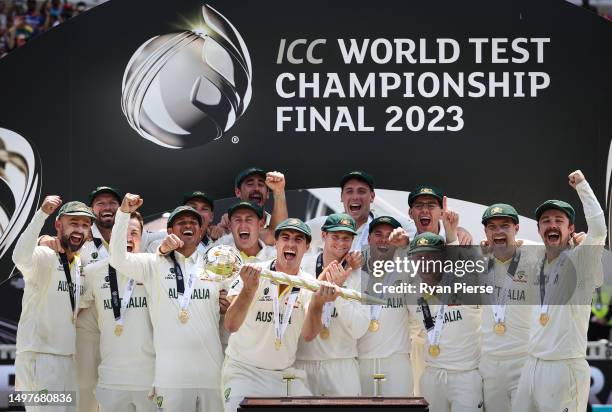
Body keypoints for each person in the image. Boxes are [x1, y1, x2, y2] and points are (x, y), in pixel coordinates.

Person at [109, 194, 224, 412]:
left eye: (193, 223)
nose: (188, 226)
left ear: (201, 233)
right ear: (170, 232)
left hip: (212, 377)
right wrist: (123, 214)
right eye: (181, 223)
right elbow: (117, 258)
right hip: (171, 379)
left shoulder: (216, 266)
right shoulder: (153, 263)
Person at [221, 218, 341, 412]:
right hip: (244, 371)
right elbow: (231, 325)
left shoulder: (309, 283)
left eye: (298, 239)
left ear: (307, 246)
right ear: (276, 243)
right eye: (285, 238)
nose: (291, 244)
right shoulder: (253, 272)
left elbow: (309, 335)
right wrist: (249, 290)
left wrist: (318, 303)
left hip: (284, 376)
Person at [514, 170, 606, 412]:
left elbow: (598, 229)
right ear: (538, 229)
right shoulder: (536, 262)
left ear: (571, 228)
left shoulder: (581, 261)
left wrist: (583, 186)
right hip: (532, 364)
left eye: (559, 220)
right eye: (546, 221)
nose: (552, 225)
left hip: (564, 368)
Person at [12, 197, 95, 412]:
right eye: (74, 223)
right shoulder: (44, 255)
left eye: (85, 225)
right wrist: (41, 215)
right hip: (40, 357)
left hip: (67, 359)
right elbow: (20, 256)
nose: (79, 229)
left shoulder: (78, 265)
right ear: (59, 225)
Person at [80, 211, 155, 412]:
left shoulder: (154, 269)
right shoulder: (93, 272)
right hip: (111, 381)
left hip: (151, 381)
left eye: (135, 233)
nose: (129, 239)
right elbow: (69, 310)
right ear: (113, 236)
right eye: (123, 232)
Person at [412, 224, 484, 412]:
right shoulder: (412, 294)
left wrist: (456, 233)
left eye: (430, 256)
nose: (424, 261)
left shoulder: (467, 282)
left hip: (466, 377)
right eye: (419, 256)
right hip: (431, 376)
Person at [295, 213, 369, 396]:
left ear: (353, 240)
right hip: (303, 363)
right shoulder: (302, 267)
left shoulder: (360, 275)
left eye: (346, 238)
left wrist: (340, 292)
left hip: (341, 366)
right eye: (335, 236)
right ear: (323, 236)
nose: (340, 243)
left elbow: (359, 329)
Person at [478, 204, 535, 412]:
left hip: (524, 360)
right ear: (486, 232)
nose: (498, 231)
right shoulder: (479, 262)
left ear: (516, 228)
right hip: (490, 364)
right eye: (492, 227)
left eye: (505, 226)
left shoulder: (534, 258)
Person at [357, 216, 414, 396]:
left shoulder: (407, 270)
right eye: (378, 234)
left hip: (396, 363)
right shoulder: (355, 271)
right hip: (361, 362)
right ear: (368, 239)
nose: (383, 239)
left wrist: (406, 244)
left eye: (389, 235)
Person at [306, 171, 417, 253]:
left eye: (361, 191)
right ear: (341, 197)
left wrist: (405, 244)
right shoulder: (326, 224)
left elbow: (427, 245)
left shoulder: (392, 224)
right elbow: (290, 236)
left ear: (372, 197)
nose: (355, 197)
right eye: (349, 191)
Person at [213, 168, 288, 244]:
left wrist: (279, 190)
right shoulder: (227, 223)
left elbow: (278, 236)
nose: (256, 188)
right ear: (238, 192)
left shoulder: (279, 221)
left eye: (261, 184)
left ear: (268, 193)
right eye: (250, 184)